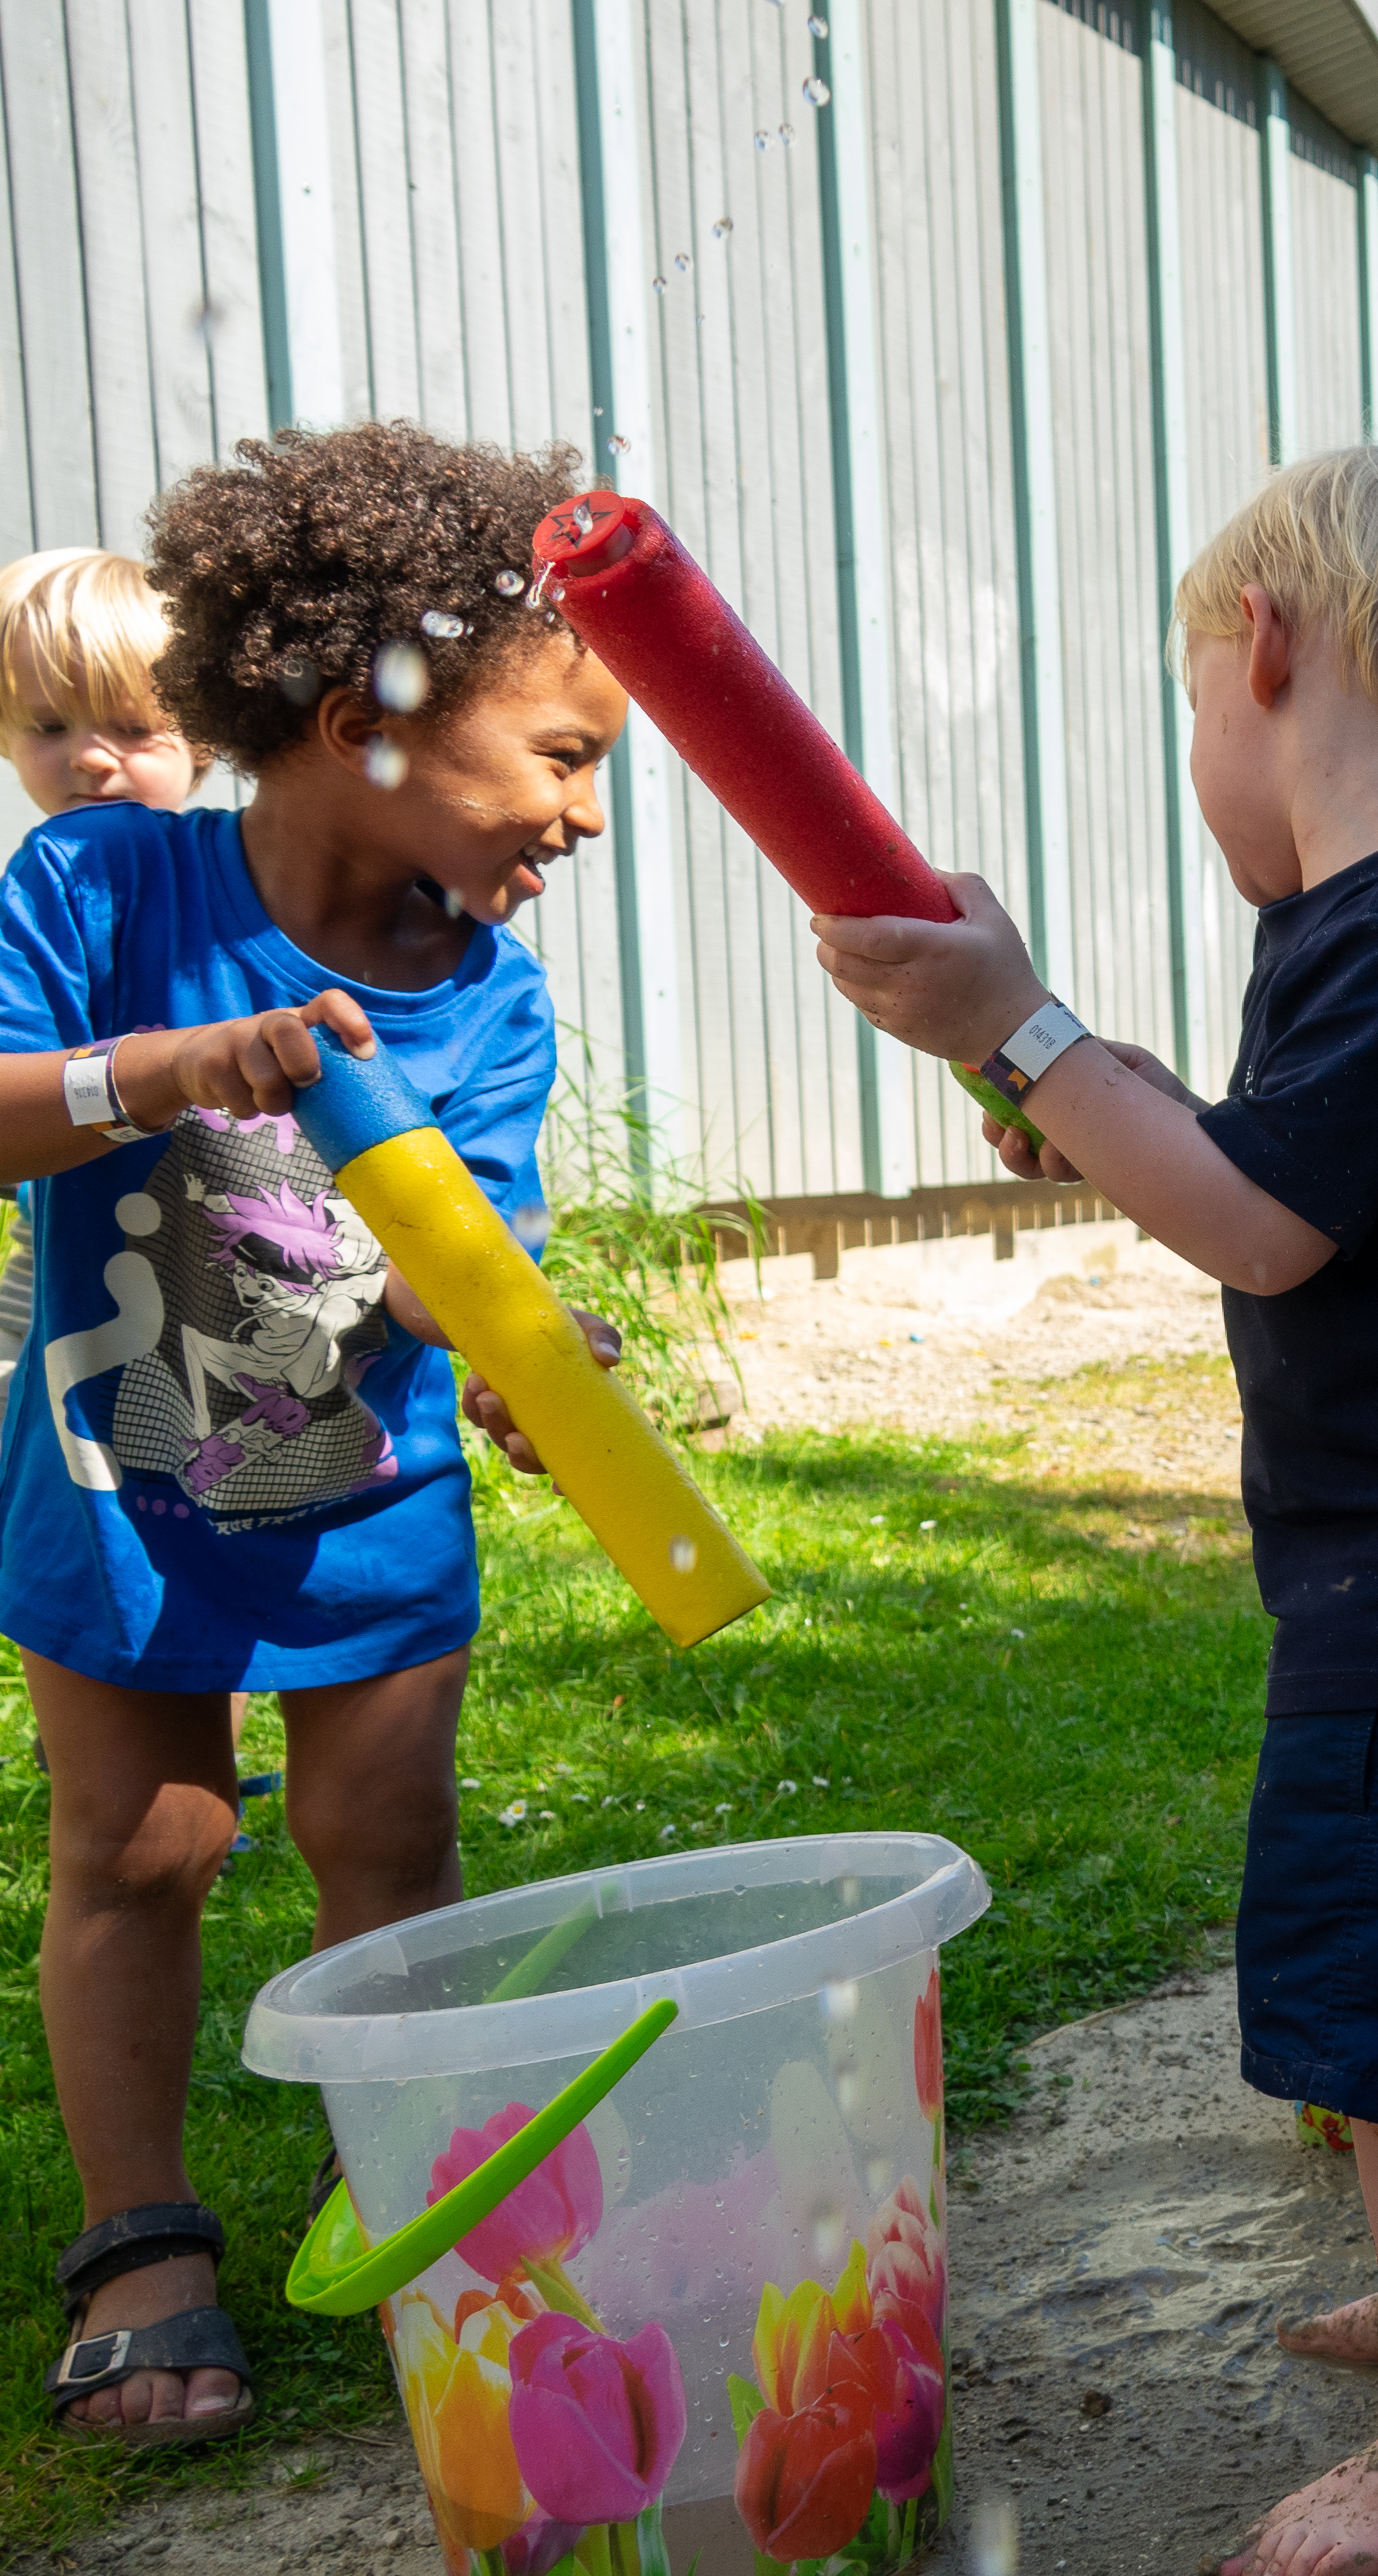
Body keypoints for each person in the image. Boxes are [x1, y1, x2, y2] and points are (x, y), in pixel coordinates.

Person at [814, 434, 1378, 2576]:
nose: (1197, 741)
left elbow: (1256, 1222)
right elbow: (1272, 1162)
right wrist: (1051, 1078)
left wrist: (1028, 1028)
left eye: (1191, 700)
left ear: (1260, 650)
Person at [5, 426, 629, 2443]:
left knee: (386, 1846)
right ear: (365, 717)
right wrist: (176, 1069)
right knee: (140, 1849)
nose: (589, 814)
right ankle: (141, 2240)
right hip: (124, 1499)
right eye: (564, 757)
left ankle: (420, 2208)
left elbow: (470, 1262)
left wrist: (546, 1364)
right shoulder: (103, 880)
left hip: (369, 1504)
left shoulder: (491, 1001)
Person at [1, 548, 210, 1383]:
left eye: (133, 728)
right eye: (50, 728)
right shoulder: (51, 879)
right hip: (60, 1242)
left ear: (208, 736)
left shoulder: (242, 876)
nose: (91, 758)